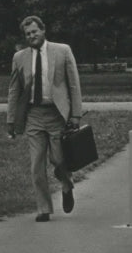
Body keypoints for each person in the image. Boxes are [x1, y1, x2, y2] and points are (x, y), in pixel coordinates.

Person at [6, 15, 83, 222]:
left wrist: (76, 115)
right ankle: (44, 208)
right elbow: (14, 90)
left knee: (58, 160)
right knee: (36, 165)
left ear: (43, 30)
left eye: (34, 31)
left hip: (57, 114)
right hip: (33, 115)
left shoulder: (62, 51)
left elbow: (73, 84)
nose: (31, 36)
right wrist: (11, 119)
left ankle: (66, 185)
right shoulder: (19, 57)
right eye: (27, 34)